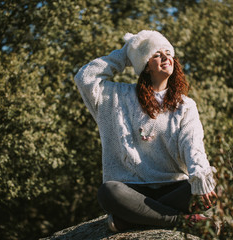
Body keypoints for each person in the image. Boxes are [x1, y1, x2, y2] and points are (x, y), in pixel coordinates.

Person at [74, 30, 219, 233]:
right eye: (156, 53)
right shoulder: (117, 97)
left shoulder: (185, 105)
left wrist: (200, 177)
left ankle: (134, 219)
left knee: (213, 182)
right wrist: (129, 51)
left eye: (168, 52)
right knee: (108, 192)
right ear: (144, 65)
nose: (165, 57)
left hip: (173, 187)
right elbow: (86, 77)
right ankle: (178, 221)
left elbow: (193, 146)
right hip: (131, 189)